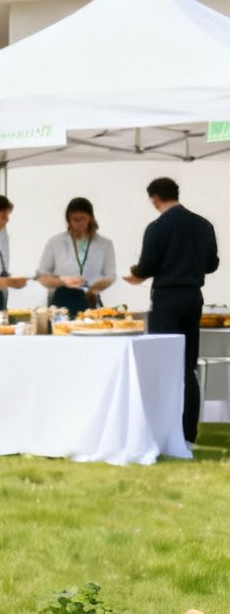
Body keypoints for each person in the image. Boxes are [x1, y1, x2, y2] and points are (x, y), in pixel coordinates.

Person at [124, 176, 220, 443]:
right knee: (188, 368)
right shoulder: (203, 225)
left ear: (155, 198)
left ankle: (160, 429)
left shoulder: (157, 227)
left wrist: (134, 275)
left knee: (162, 365)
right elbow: (212, 264)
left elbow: (146, 266)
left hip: (166, 299)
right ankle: (189, 433)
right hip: (193, 298)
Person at [34, 197, 116, 316]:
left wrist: (94, 288)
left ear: (91, 218)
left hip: (91, 299)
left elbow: (110, 275)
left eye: (83, 218)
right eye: (74, 219)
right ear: (68, 220)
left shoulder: (105, 244)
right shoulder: (55, 242)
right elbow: (42, 276)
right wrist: (62, 281)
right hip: (61, 301)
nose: (79, 223)